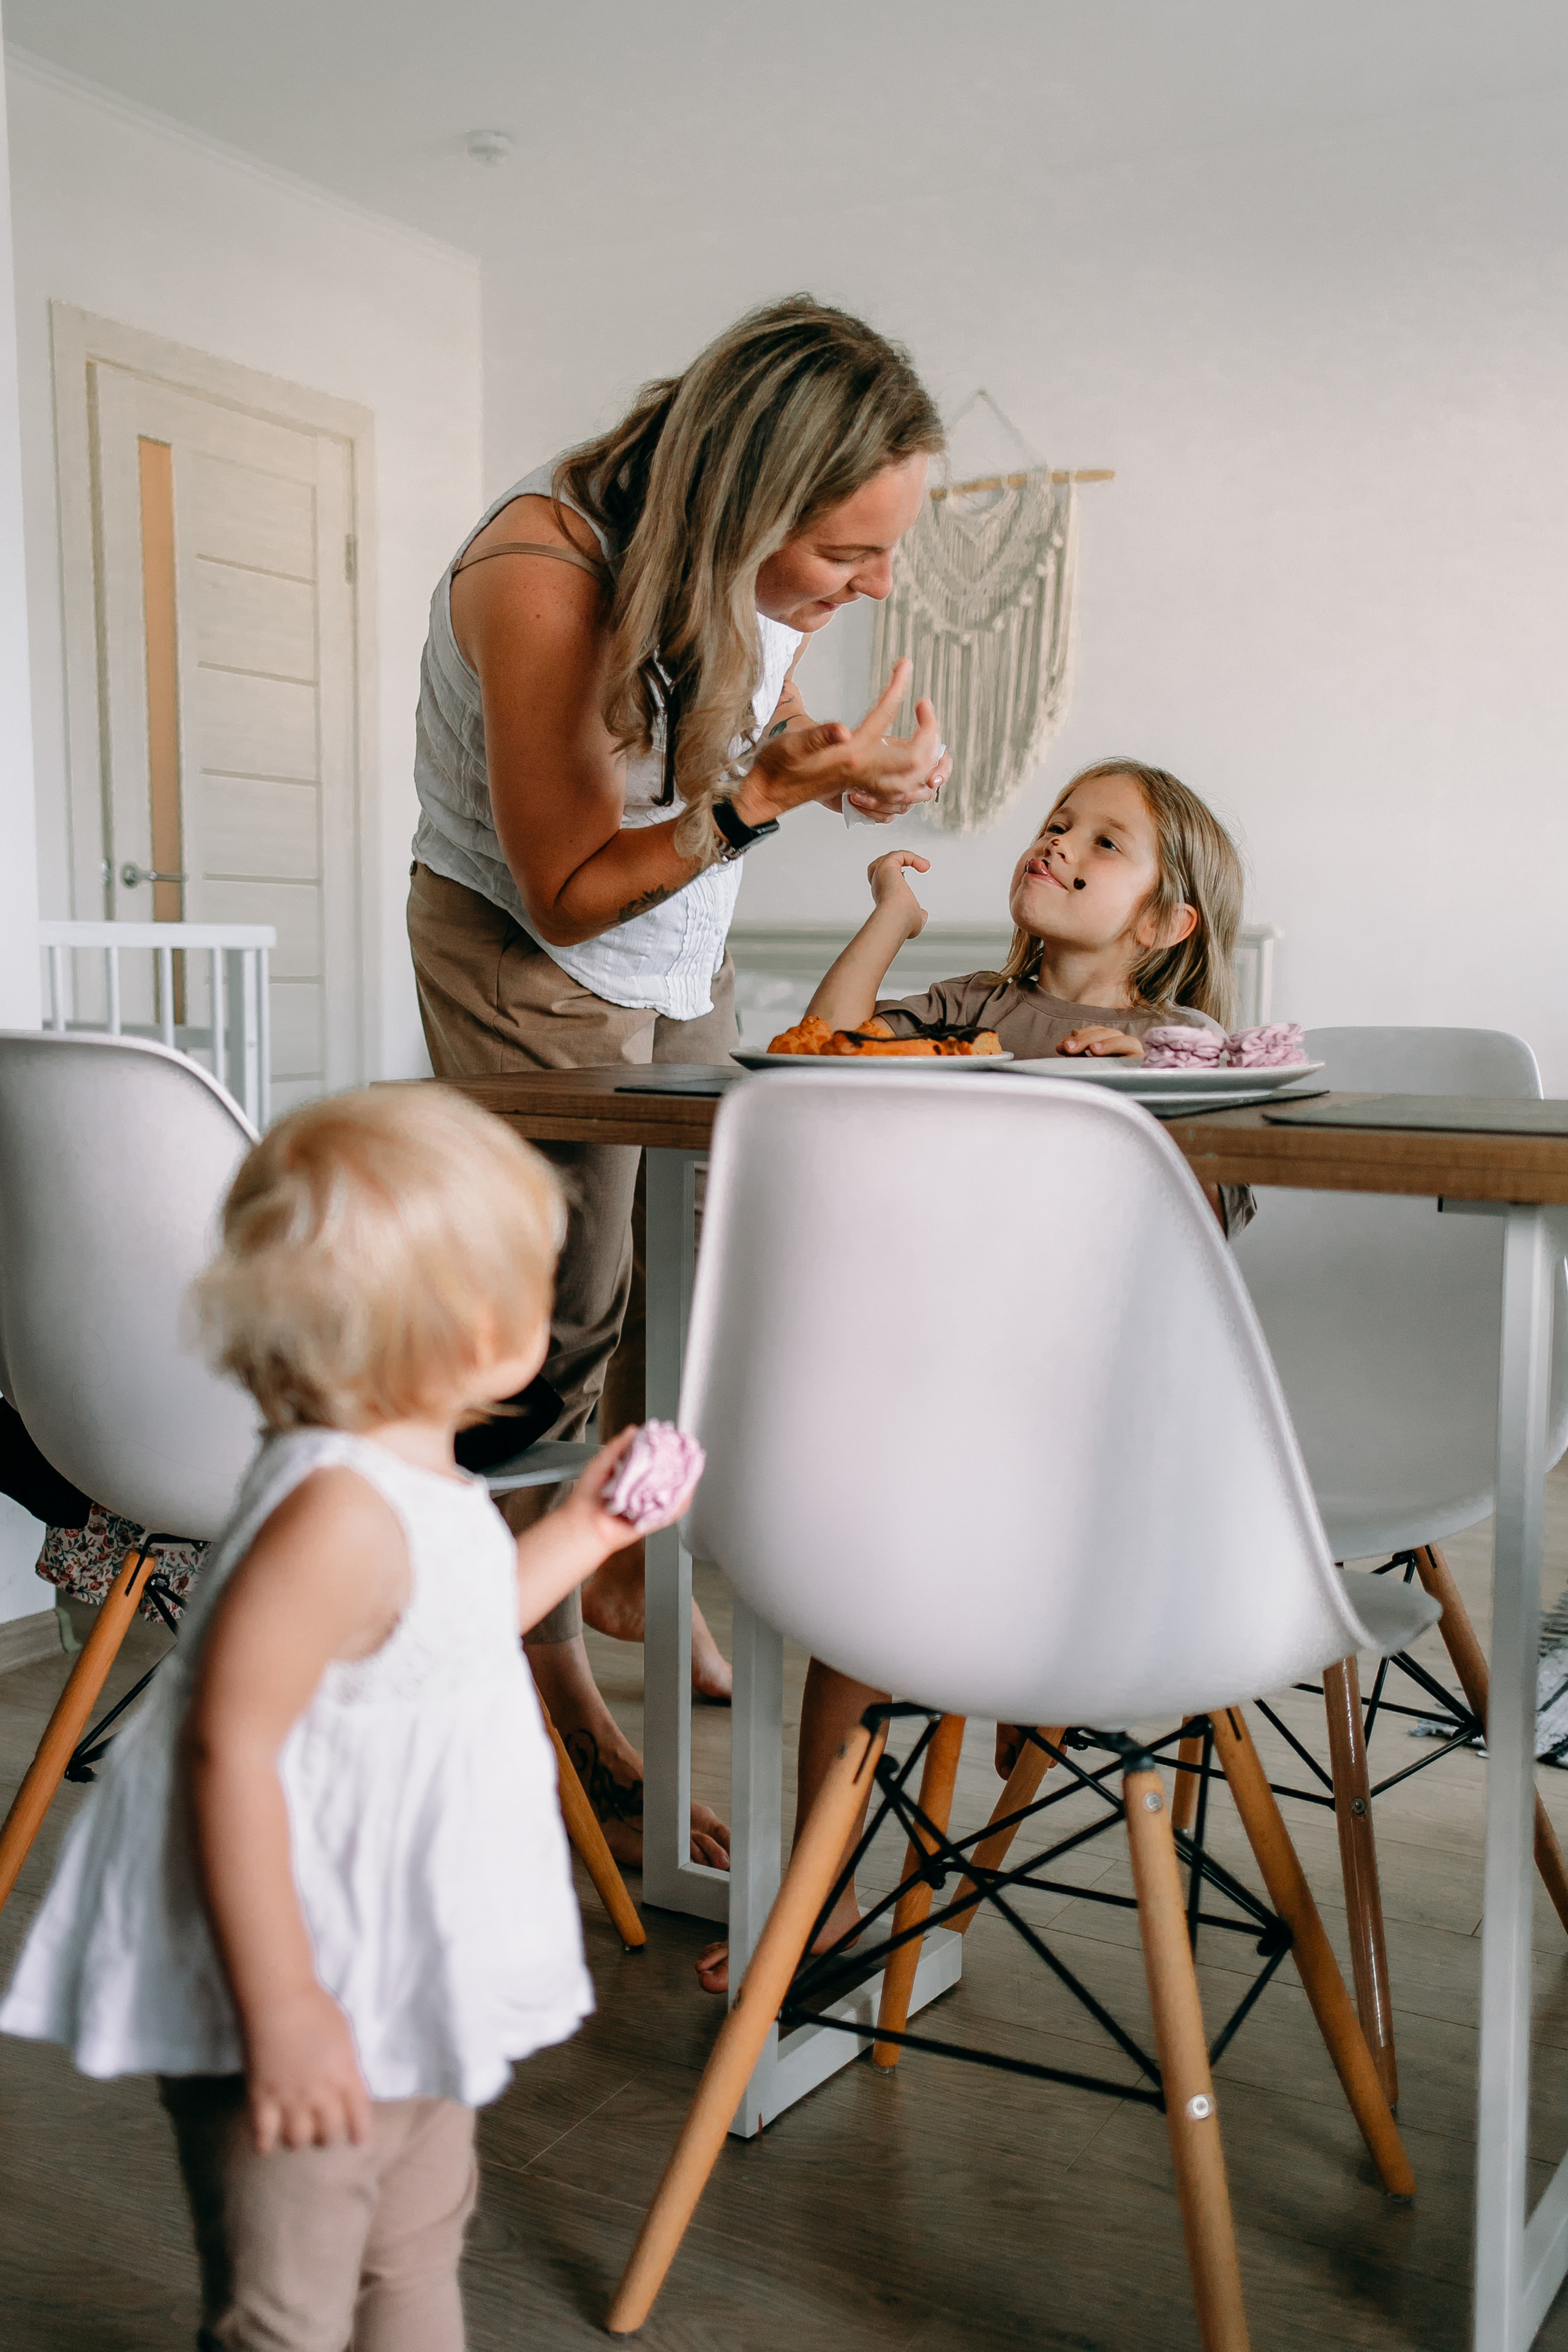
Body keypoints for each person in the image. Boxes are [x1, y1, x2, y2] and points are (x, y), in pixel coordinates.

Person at [0, 1087, 701, 2351]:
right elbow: (228, 1749)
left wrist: (587, 1529)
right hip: (300, 1979)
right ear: (462, 1324)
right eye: (531, 1284)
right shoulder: (333, 1516)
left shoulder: (415, 1471)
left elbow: (455, 1621)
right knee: (290, 2305)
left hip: (407, 1965)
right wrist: (284, 2011)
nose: (546, 1313)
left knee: (417, 2245)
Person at [407, 296, 951, 1866]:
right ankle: (537, 1656)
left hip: (673, 943)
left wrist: (831, 769)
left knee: (692, 1274)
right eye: (847, 554)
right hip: (530, 947)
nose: (871, 581)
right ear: (742, 504)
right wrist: (765, 803)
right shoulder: (538, 575)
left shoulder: (731, 550)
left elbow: (746, 716)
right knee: (556, 1321)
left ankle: (633, 1570)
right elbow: (573, 882)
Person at [696, 757, 1252, 1991]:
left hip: (1091, 1423)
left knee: (913, 1539)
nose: (1059, 843)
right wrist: (889, 920)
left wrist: (1142, 1082)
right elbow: (824, 1050)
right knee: (852, 1596)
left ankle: (1009, 1673)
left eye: (1104, 843)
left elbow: (1211, 1222)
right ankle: (819, 1896)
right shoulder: (964, 1005)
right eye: (1058, 823)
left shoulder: (1183, 1043)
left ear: (1165, 926)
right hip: (952, 1404)